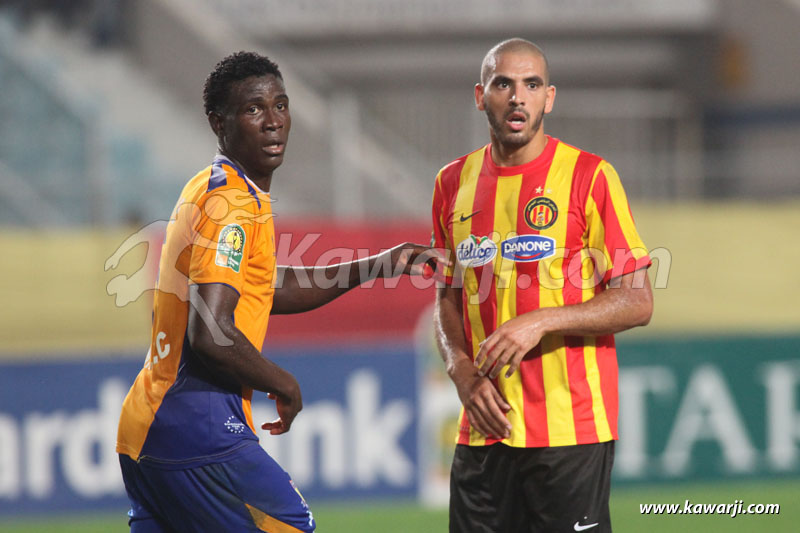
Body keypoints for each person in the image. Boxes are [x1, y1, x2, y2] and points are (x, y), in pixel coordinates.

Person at [116, 51, 437, 533]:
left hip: (146, 426)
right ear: (218, 123)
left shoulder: (215, 187)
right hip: (198, 426)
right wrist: (281, 382)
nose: (273, 122)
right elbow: (211, 331)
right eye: (253, 109)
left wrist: (381, 263)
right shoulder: (233, 204)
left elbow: (266, 287)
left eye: (281, 105)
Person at [430, 38, 654, 532]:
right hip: (482, 433)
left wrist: (542, 321)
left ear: (548, 98)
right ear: (480, 95)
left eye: (531, 85)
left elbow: (637, 301)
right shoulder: (451, 183)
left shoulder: (589, 176)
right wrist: (461, 370)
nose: (517, 96)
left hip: (569, 431)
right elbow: (447, 298)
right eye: (503, 84)